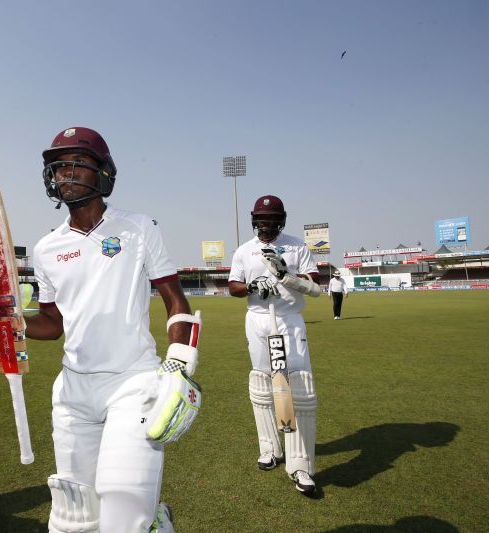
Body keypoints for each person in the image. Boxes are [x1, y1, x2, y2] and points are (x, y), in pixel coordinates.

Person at [25, 127, 202, 532]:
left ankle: (150, 522)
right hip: (72, 394)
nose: (65, 175)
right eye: (57, 167)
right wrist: (9, 322)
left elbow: (176, 300)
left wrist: (177, 366)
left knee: (124, 517)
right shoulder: (46, 248)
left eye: (77, 165)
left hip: (132, 384)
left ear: (104, 173)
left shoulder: (138, 228)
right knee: (73, 522)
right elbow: (52, 325)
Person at [227, 195, 322, 496]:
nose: (264, 225)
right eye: (260, 220)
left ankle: (301, 464)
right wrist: (252, 287)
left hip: (289, 320)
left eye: (269, 220)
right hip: (257, 320)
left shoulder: (297, 246)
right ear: (254, 220)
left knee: (298, 387)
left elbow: (315, 284)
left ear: (281, 220)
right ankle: (270, 448)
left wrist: (287, 276)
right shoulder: (244, 250)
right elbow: (233, 286)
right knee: (262, 382)